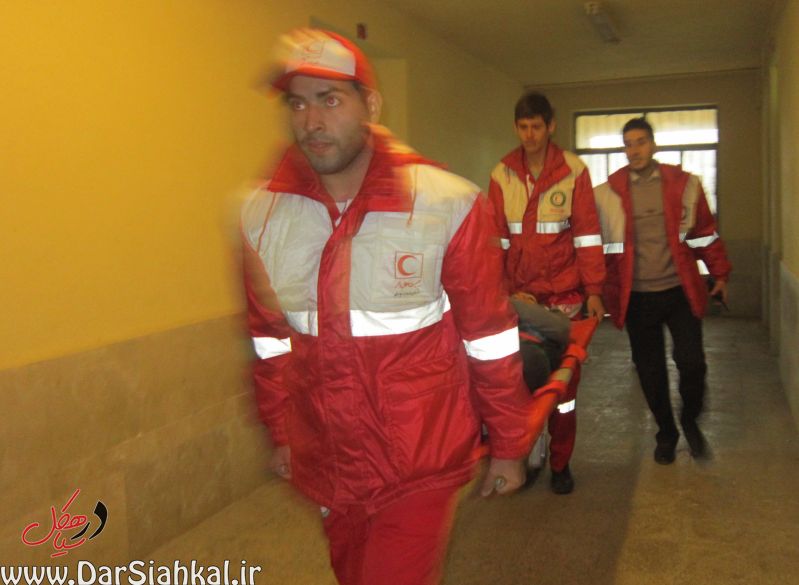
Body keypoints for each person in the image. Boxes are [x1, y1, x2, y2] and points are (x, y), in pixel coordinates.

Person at [240, 28, 536, 585]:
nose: (311, 121)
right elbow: (269, 339)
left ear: (371, 106)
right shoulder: (262, 215)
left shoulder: (445, 205)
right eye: (297, 104)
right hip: (328, 458)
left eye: (330, 100)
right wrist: (281, 431)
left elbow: (488, 336)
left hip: (418, 460)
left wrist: (509, 442)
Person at [593, 117, 732, 464]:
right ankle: (666, 433)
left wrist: (720, 274)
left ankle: (690, 419)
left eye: (640, 142)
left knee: (692, 363)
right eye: (628, 144)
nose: (634, 150)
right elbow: (595, 247)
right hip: (636, 296)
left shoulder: (683, 185)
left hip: (679, 291)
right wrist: (594, 290)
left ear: (653, 145)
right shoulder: (607, 193)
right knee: (650, 371)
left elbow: (705, 233)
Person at [487, 91, 606, 494]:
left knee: (564, 392)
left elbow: (587, 236)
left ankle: (560, 463)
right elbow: (497, 244)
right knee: (524, 380)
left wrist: (594, 290)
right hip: (522, 300)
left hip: (566, 300)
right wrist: (506, 294)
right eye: (523, 127)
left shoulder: (572, 171)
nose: (530, 135)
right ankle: (525, 456)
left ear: (550, 126)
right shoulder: (503, 174)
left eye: (536, 126)